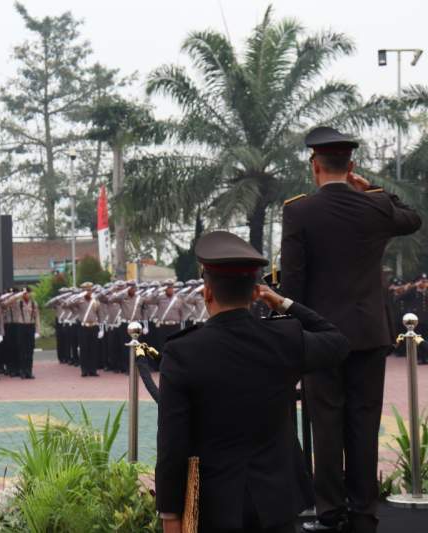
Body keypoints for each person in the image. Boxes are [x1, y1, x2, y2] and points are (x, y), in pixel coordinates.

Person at [157, 231, 350, 533]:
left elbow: (172, 444)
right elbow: (337, 341)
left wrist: (170, 515)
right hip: (277, 500)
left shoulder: (182, 352)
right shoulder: (284, 338)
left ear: (207, 292)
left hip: (215, 505)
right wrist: (283, 303)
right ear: (254, 293)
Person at [281, 127, 422, 533]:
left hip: (321, 336)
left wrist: (294, 334)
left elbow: (293, 281)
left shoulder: (300, 211)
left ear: (315, 166)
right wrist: (373, 189)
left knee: (326, 423)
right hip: (369, 333)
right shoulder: (375, 206)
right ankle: (364, 512)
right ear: (352, 165)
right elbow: (412, 219)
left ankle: (330, 512)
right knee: (364, 422)